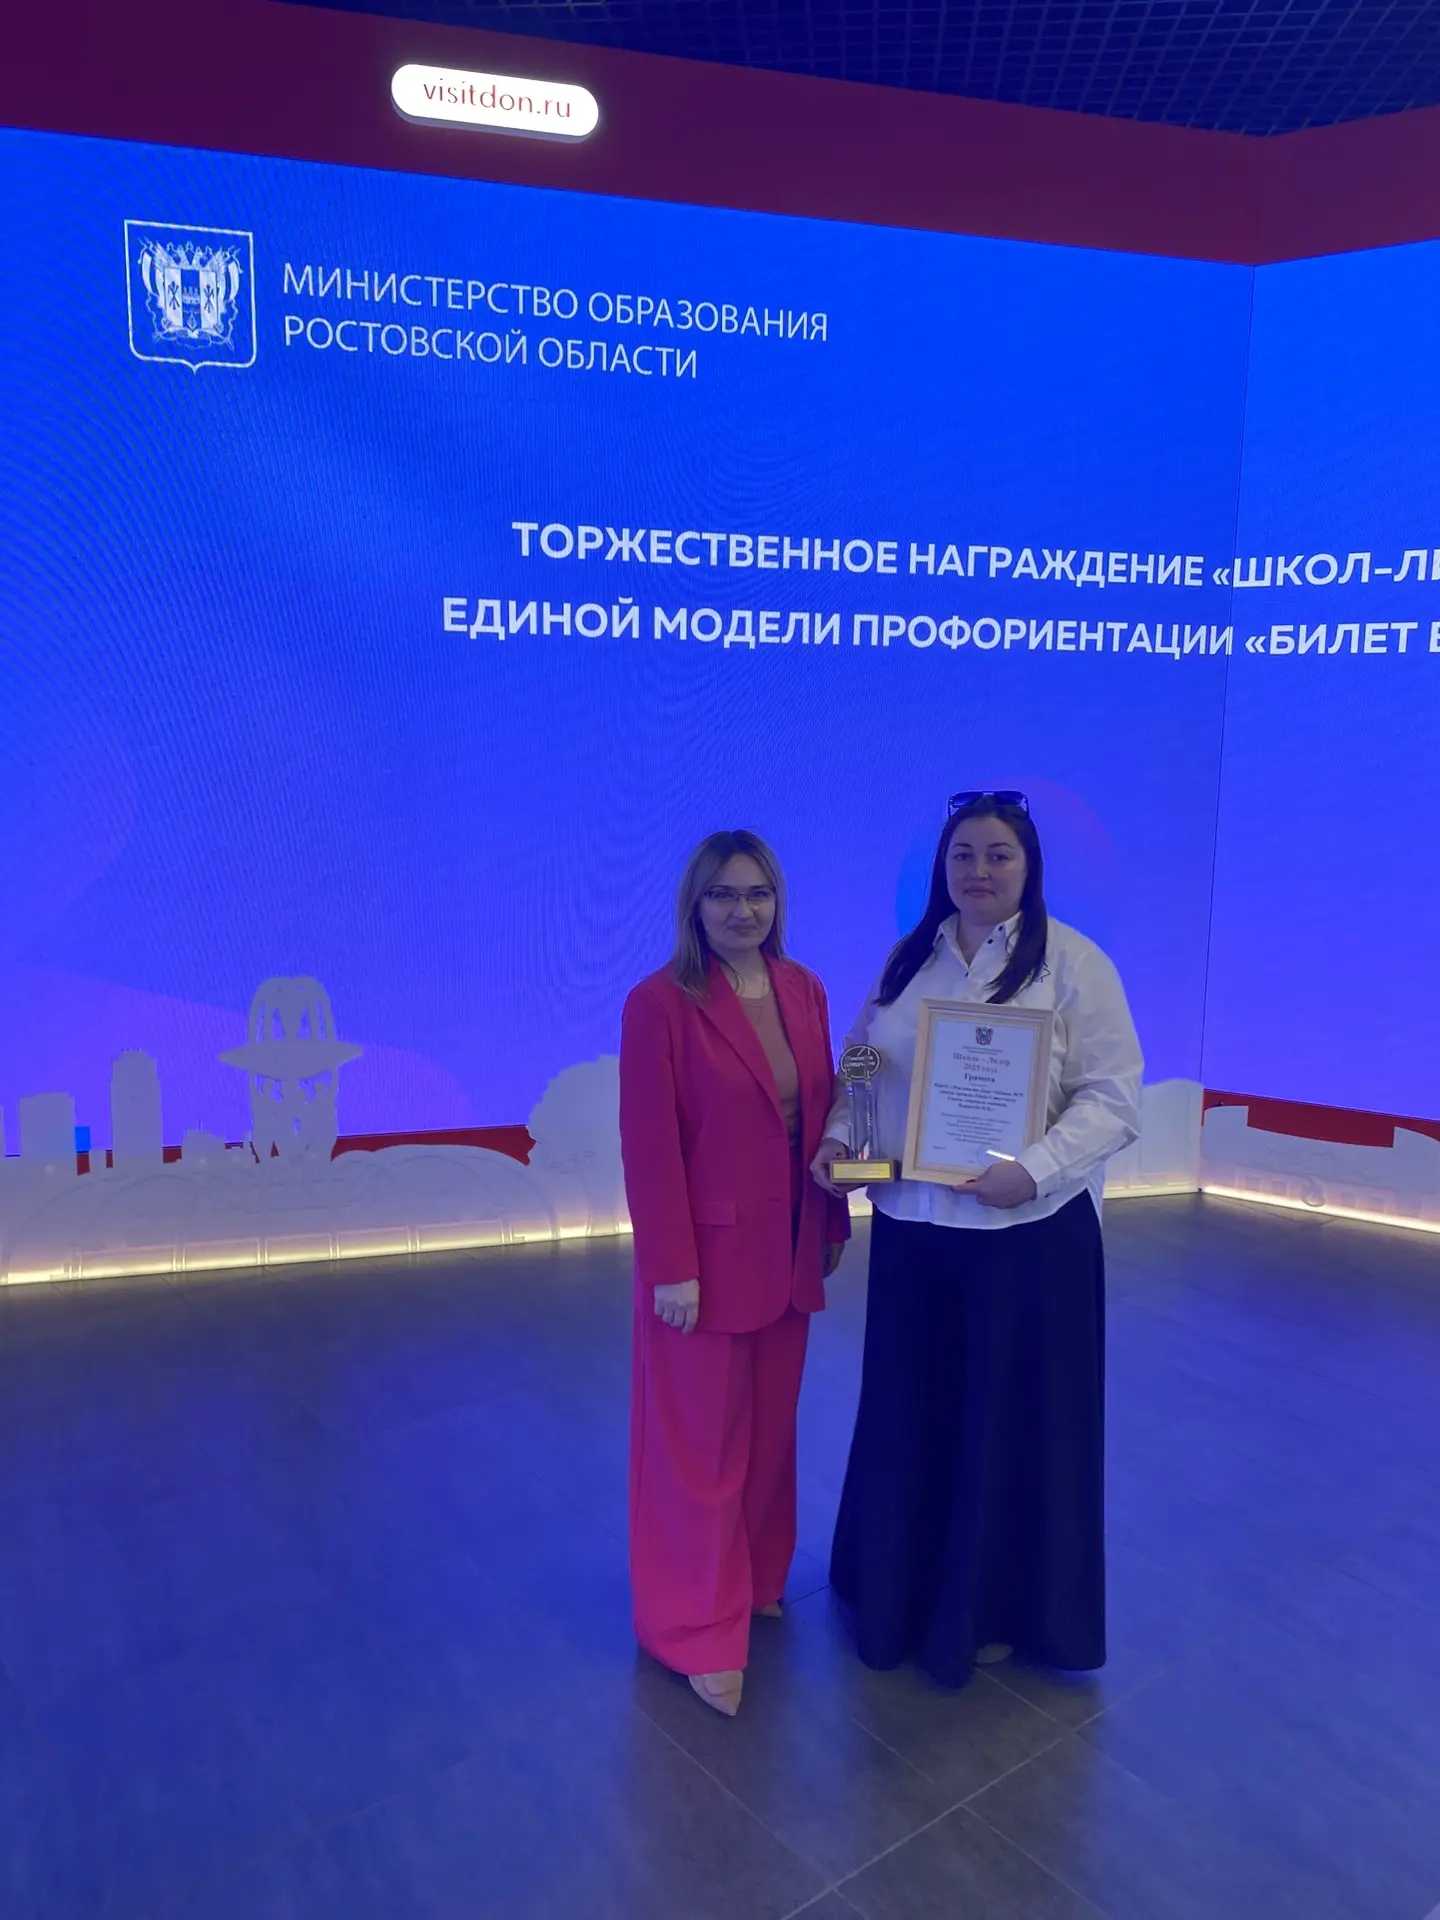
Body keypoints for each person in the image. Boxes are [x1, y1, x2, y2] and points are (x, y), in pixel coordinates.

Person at [812, 791, 1142, 1688]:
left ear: (1030, 866)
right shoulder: (909, 957)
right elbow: (865, 1061)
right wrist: (844, 1138)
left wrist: (1031, 1170)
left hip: (1026, 1239)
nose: (979, 871)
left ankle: (994, 1612)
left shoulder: (1075, 965)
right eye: (963, 854)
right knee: (911, 1416)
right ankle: (895, 1593)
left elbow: (1115, 1098)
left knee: (1007, 1428)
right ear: (942, 867)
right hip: (914, 1230)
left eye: (999, 854)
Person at [620, 830, 850, 1716]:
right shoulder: (659, 1004)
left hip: (788, 1253)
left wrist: (831, 1221)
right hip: (703, 1270)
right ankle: (695, 1628)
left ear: (778, 901)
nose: (742, 910)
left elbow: (823, 1118)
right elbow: (650, 1147)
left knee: (766, 1440)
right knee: (700, 1454)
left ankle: (753, 1582)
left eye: (757, 893)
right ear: (694, 905)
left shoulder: (805, 989)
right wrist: (671, 1268)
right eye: (722, 894)